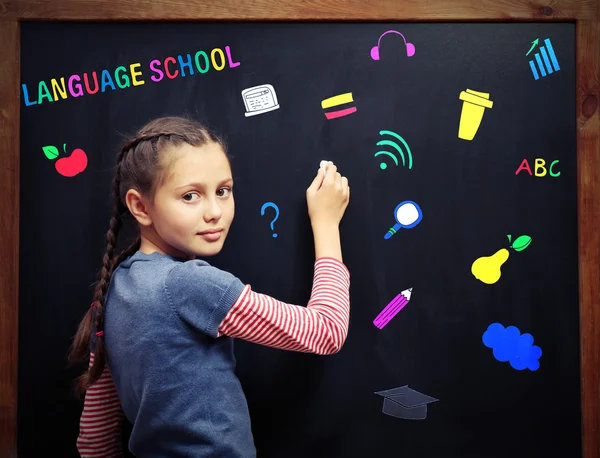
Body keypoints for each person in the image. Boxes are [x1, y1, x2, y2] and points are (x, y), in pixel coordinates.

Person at [69, 116, 351, 457]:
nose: (215, 212)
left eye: (223, 191)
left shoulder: (114, 289)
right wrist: (325, 222)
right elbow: (326, 332)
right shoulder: (191, 284)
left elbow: (94, 437)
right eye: (190, 196)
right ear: (140, 206)